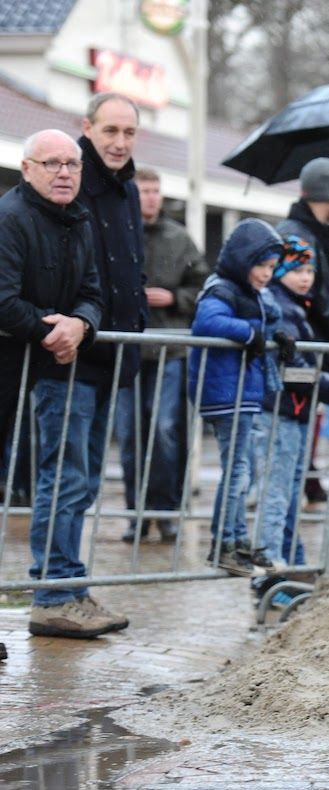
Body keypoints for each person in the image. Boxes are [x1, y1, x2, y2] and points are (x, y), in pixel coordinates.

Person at [0, 129, 109, 637]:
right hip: (23, 370)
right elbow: (2, 299)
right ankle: (50, 592)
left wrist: (81, 325)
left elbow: (93, 291)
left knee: (76, 481)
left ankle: (68, 585)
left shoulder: (81, 219)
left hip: (66, 367)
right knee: (56, 480)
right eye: (52, 163)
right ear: (27, 169)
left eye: (72, 164)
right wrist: (55, 330)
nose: (65, 172)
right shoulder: (9, 218)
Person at [189, 219, 291, 578]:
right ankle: (224, 544)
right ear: (242, 260)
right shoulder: (223, 289)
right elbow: (207, 323)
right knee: (237, 473)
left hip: (242, 392)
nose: (267, 274)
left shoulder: (250, 293)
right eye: (261, 265)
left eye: (271, 267)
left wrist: (276, 332)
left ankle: (235, 540)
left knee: (241, 472)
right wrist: (252, 332)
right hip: (225, 393)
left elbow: (268, 318)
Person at [118, 166, 210, 543]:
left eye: (156, 189)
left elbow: (205, 286)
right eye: (144, 189)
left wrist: (176, 298)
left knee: (167, 432)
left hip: (171, 349)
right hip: (128, 349)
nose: (151, 196)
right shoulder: (117, 234)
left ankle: (167, 511)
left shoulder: (179, 238)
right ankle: (135, 515)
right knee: (129, 437)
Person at [75, 92, 150, 542]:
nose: (120, 142)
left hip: (117, 352)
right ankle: (56, 587)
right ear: (87, 128)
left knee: (87, 479)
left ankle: (65, 582)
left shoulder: (130, 189)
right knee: (67, 477)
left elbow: (132, 264)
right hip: (75, 352)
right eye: (110, 131)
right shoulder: (70, 179)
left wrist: (136, 319)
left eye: (129, 132)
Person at [252, 237, 329, 601]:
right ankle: (267, 575)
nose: (306, 277)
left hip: (293, 412)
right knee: (276, 497)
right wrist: (326, 384)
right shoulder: (279, 308)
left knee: (288, 495)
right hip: (280, 411)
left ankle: (288, 566)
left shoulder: (293, 305)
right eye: (298, 270)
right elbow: (290, 369)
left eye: (310, 271)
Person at [276, 156, 329, 506]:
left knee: (304, 436)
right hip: (302, 352)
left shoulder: (317, 235)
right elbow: (302, 299)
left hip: (313, 348)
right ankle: (285, 519)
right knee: (291, 443)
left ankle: (299, 499)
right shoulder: (297, 236)